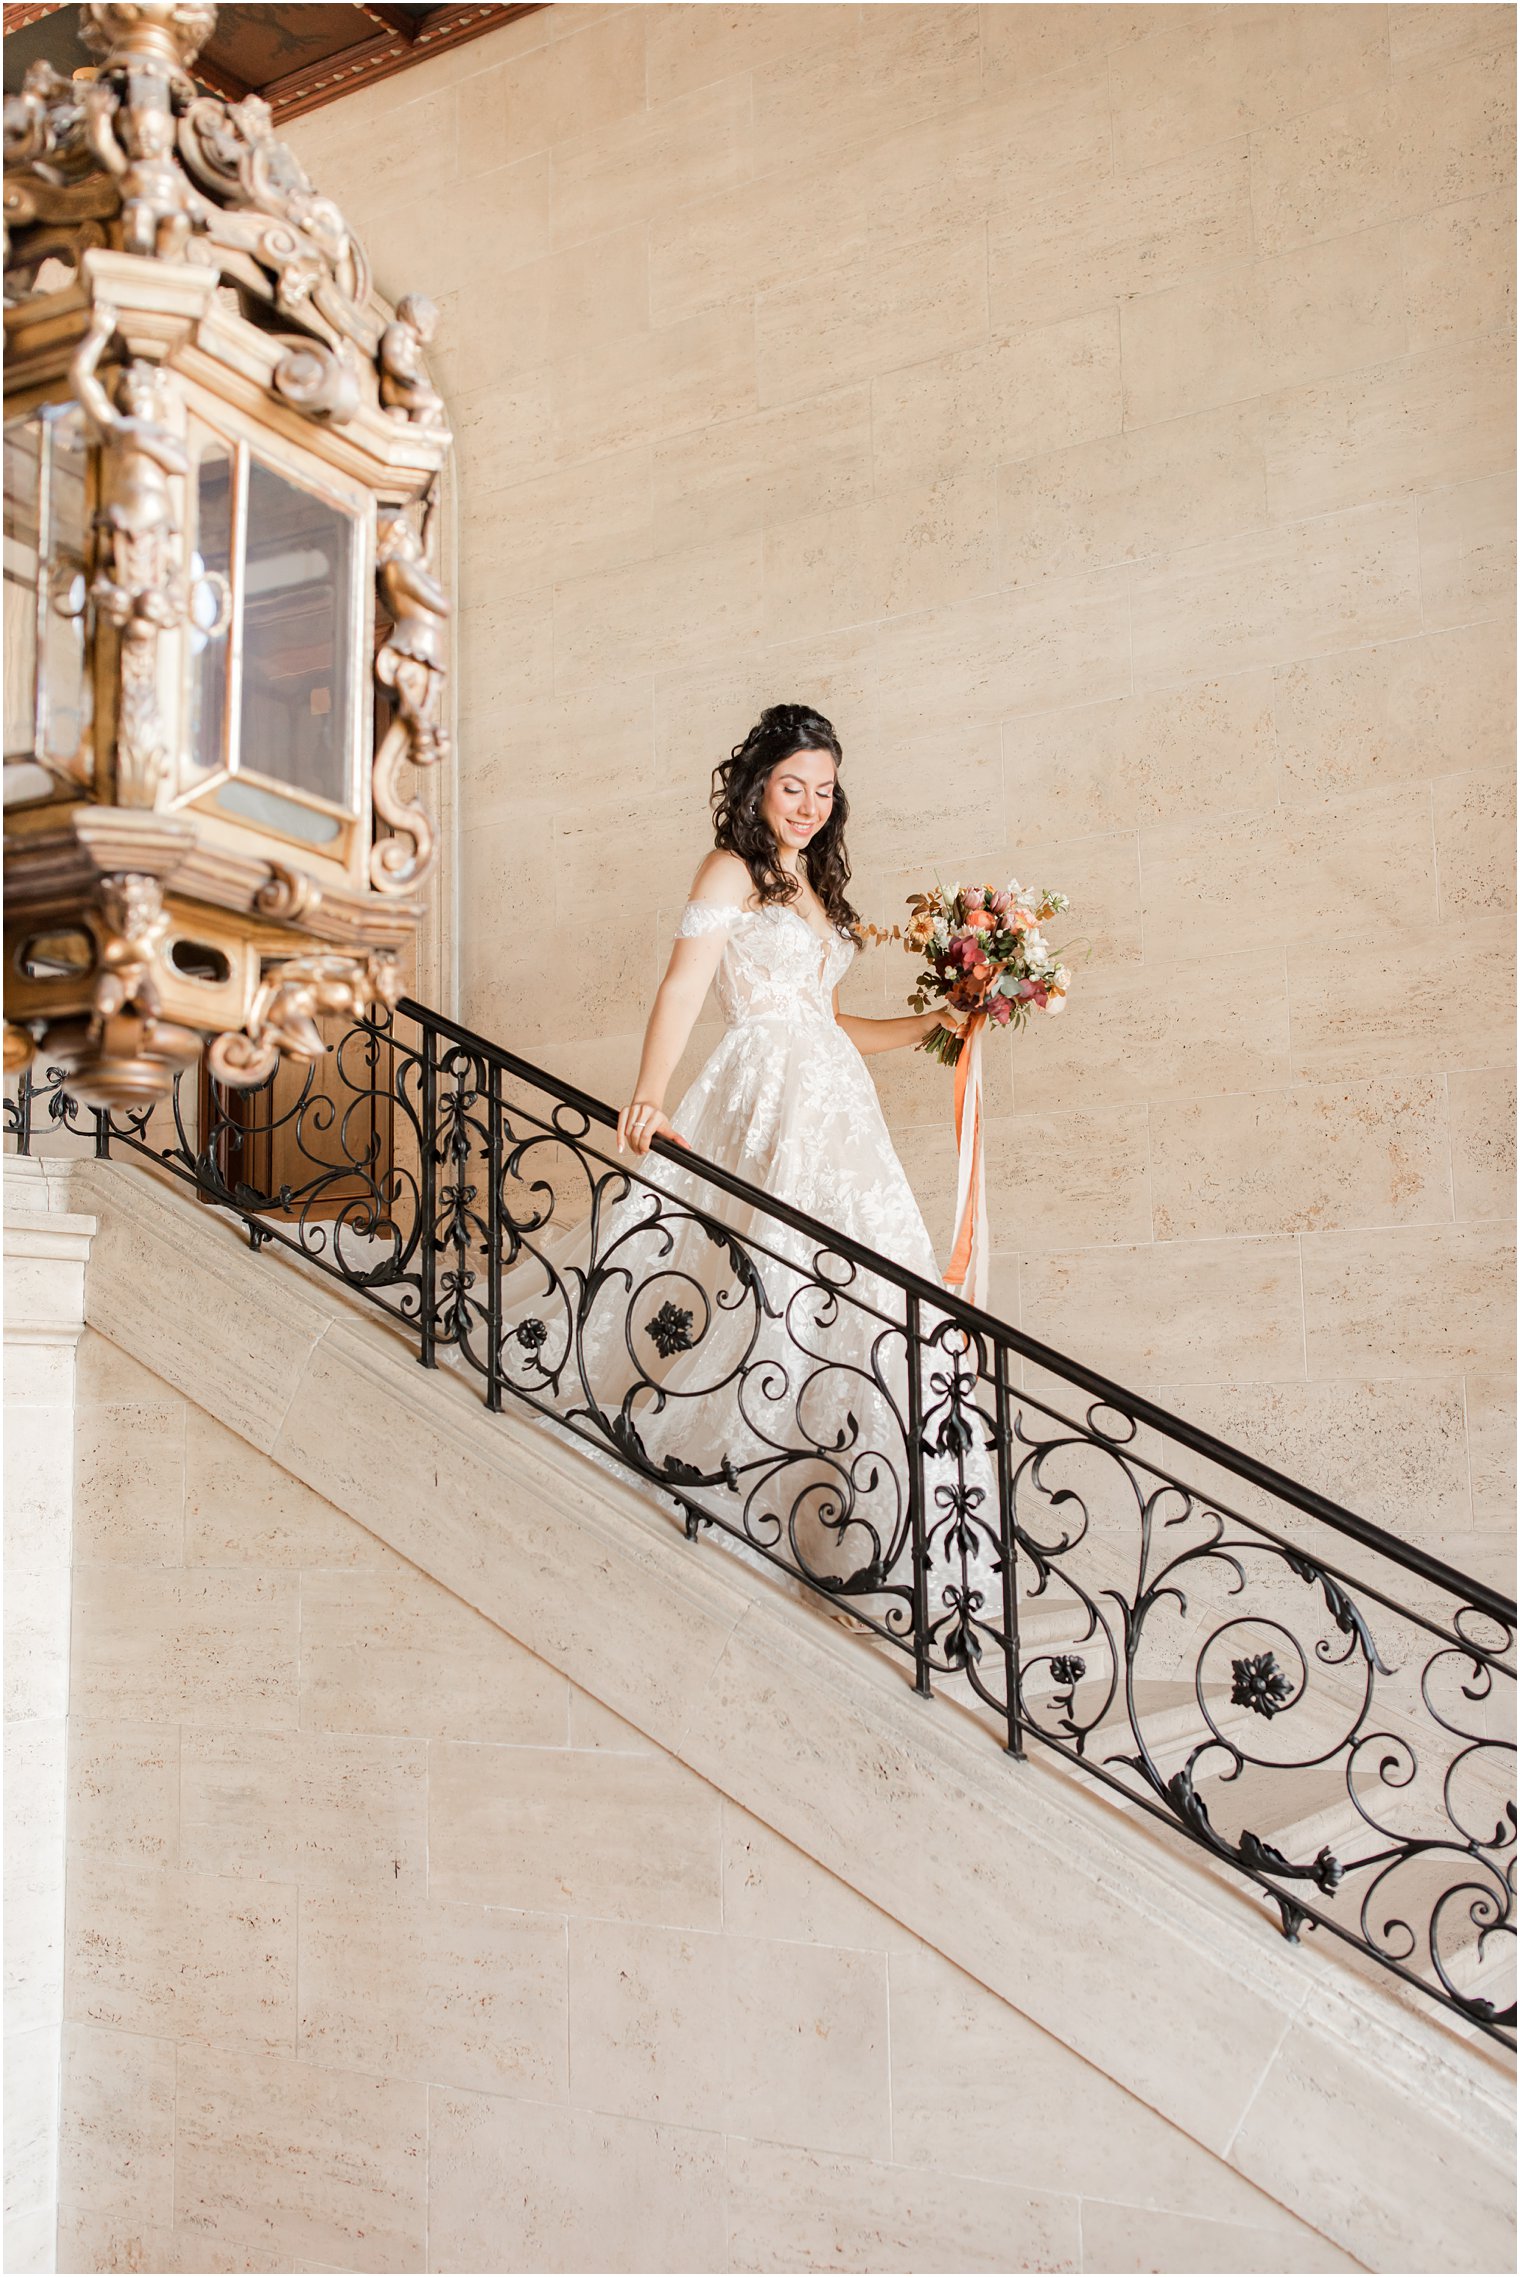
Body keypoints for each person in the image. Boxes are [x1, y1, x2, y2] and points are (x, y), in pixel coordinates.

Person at [500, 703, 998, 1665]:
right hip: (765, 1088)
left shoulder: (812, 881)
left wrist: (942, 1023)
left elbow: (835, 1022)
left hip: (837, 1104)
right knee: (769, 1278)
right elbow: (684, 986)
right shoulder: (728, 868)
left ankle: (875, 1539)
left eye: (823, 790)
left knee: (876, 1284)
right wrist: (646, 1096)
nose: (808, 806)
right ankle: (744, 1492)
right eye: (792, 787)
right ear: (759, 784)